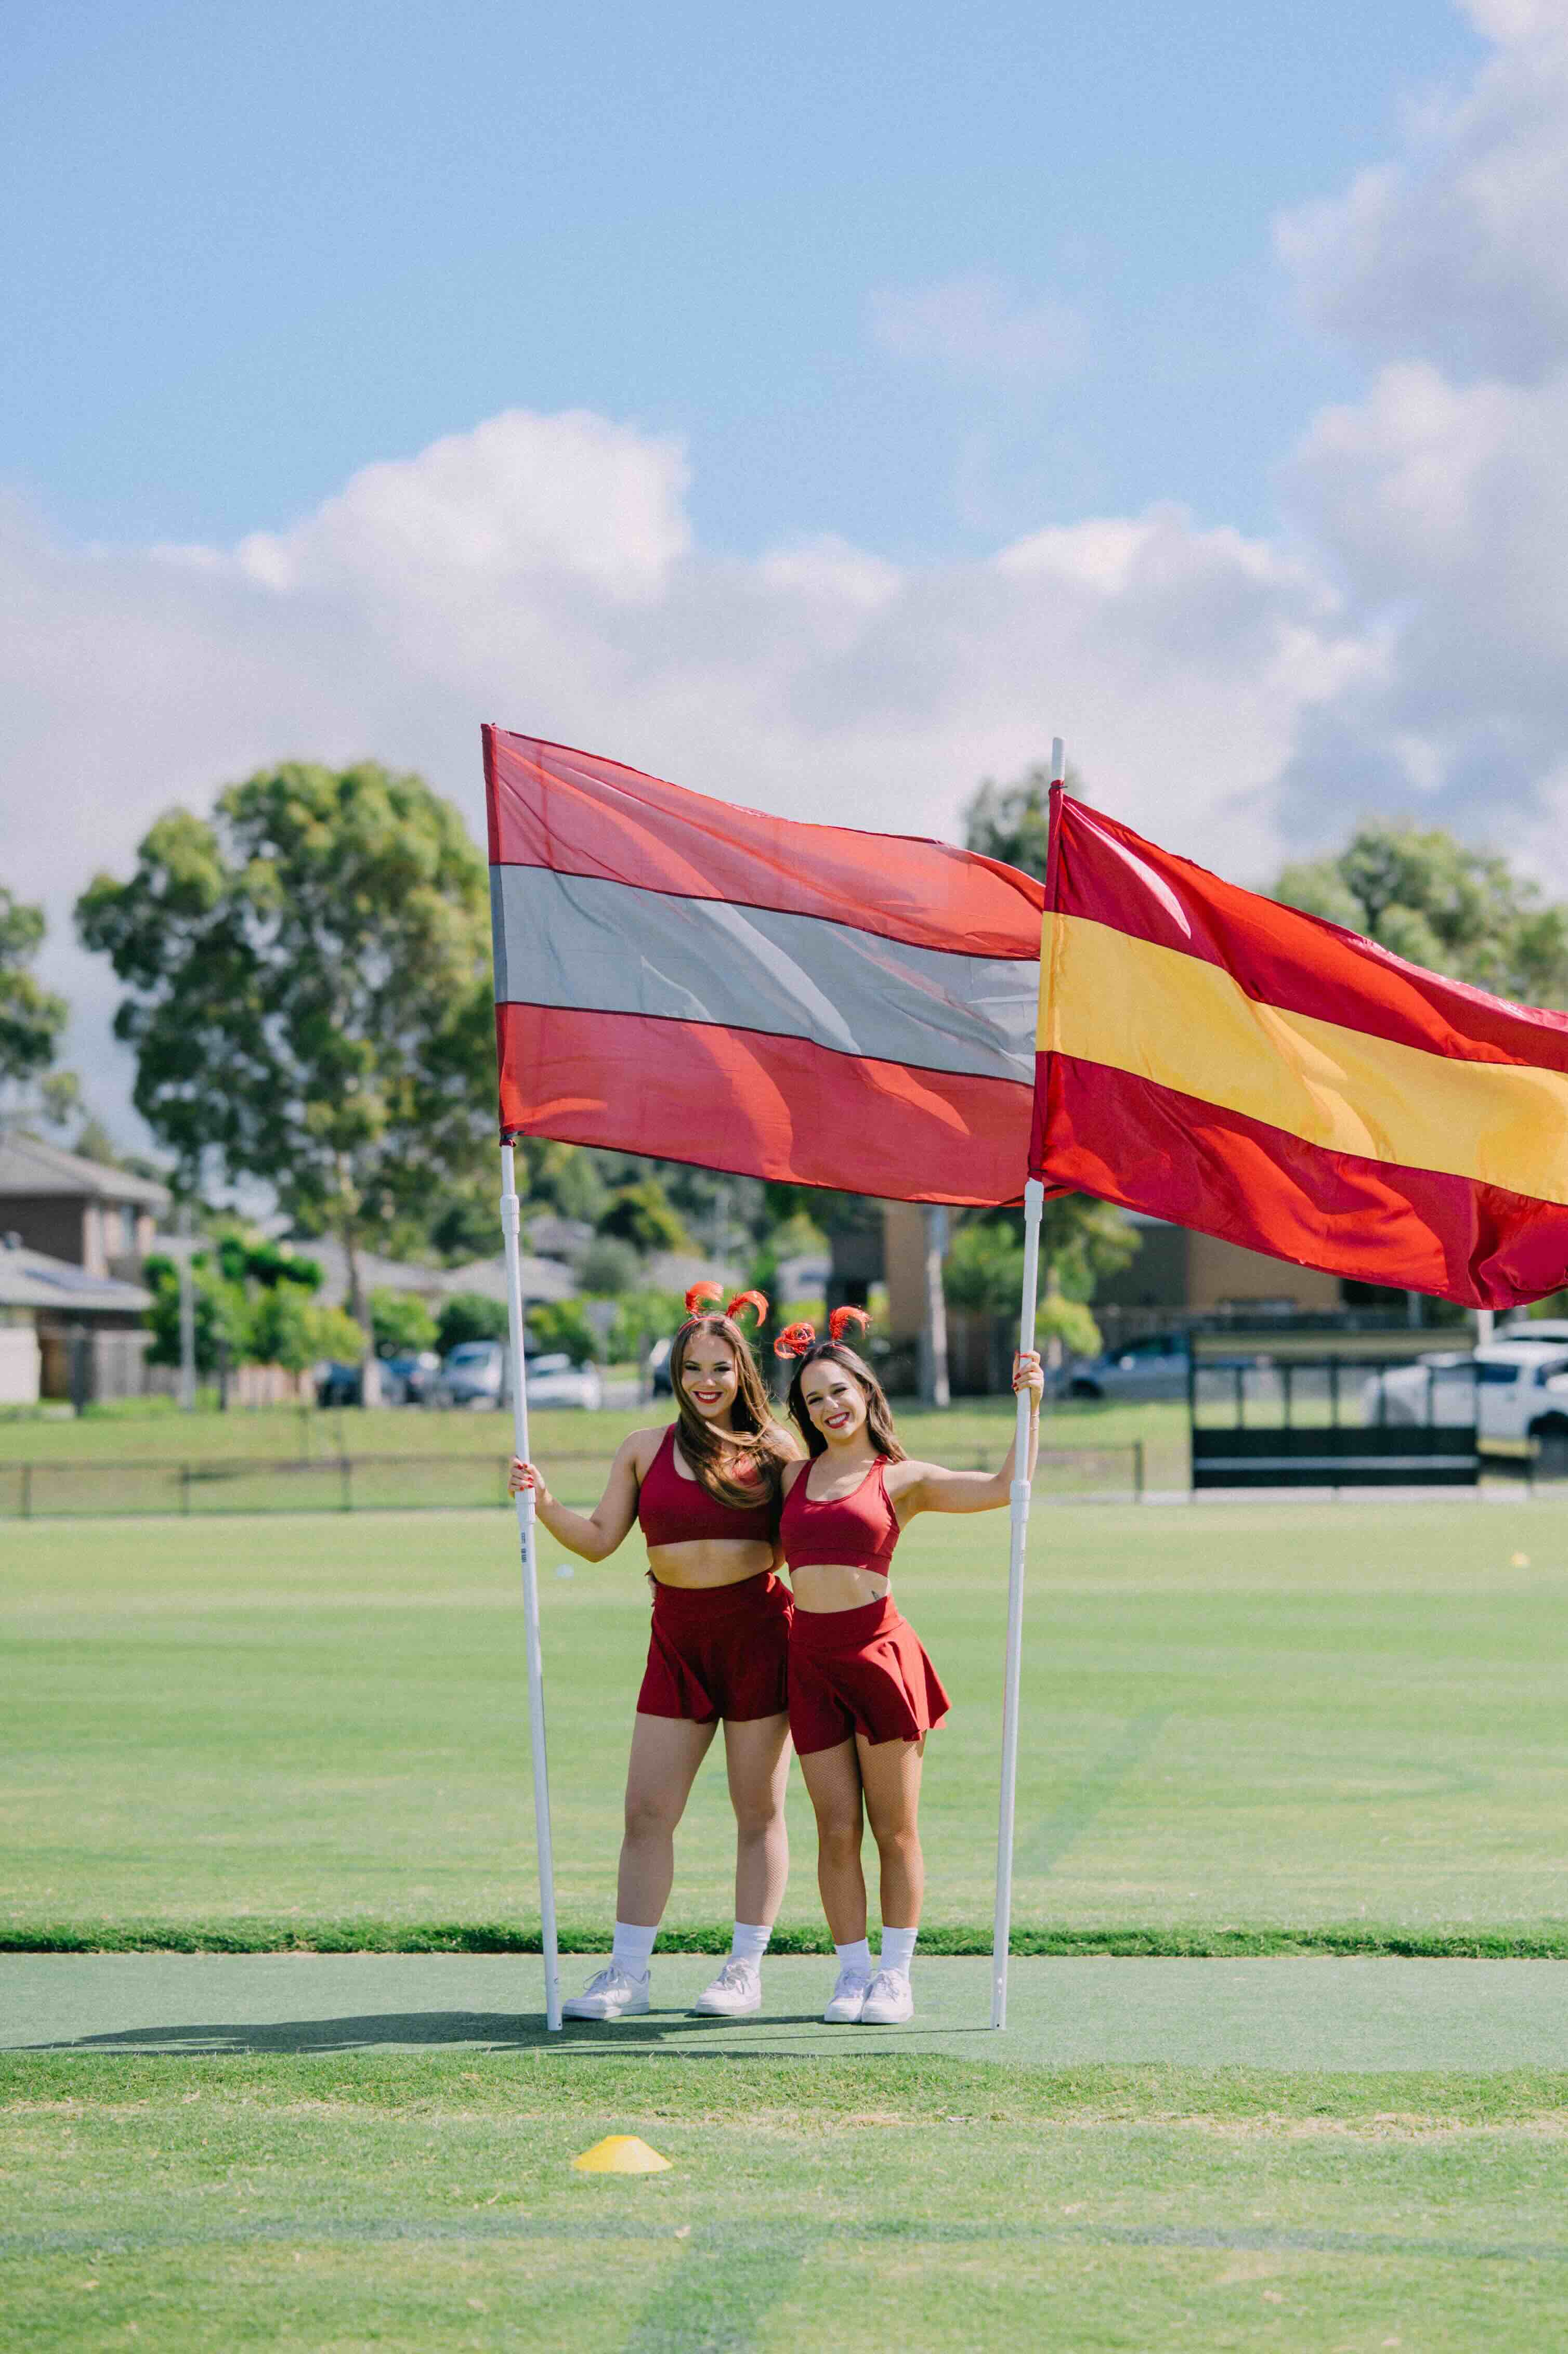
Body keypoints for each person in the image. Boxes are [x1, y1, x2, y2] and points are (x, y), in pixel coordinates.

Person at [507, 1285, 799, 2021]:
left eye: (722, 1370)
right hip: (676, 1639)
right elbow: (602, 1540)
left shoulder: (776, 1450)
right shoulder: (644, 1449)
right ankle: (628, 1973)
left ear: (745, 1375)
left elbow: (817, 1535)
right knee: (646, 1810)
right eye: (694, 1369)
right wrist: (543, 1505)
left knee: (758, 1810)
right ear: (676, 1374)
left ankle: (743, 1970)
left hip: (760, 1635)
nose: (707, 1383)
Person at [776, 1308, 1043, 2026]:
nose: (828, 1406)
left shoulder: (903, 1477)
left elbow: (999, 1487)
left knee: (894, 1829)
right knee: (835, 1830)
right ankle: (851, 1974)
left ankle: (895, 1977)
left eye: (838, 1390)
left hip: (879, 1656)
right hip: (810, 1661)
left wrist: (1031, 1407)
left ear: (866, 1391)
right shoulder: (792, 1476)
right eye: (813, 1399)